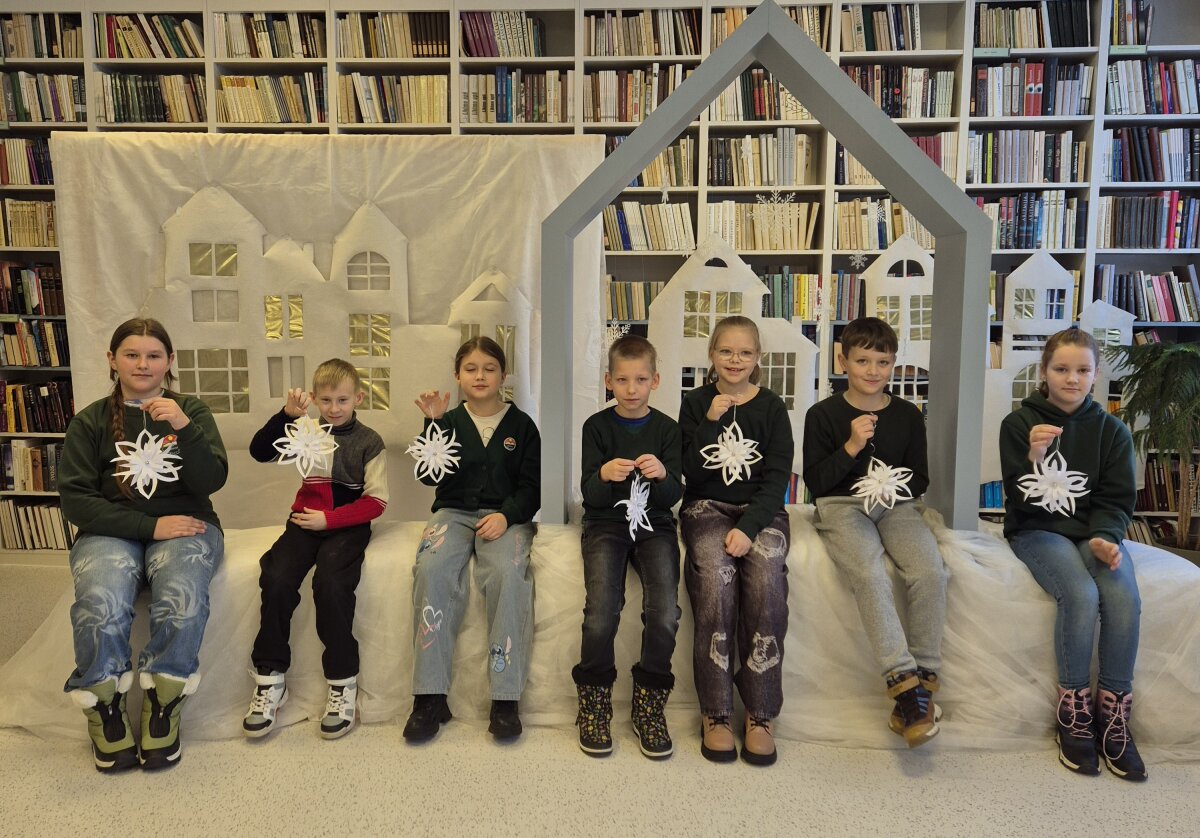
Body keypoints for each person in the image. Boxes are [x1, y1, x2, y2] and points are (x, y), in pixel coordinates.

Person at [58, 318, 228, 772]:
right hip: (110, 530)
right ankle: (104, 708)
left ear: (169, 361)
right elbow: (76, 501)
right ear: (112, 360)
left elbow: (211, 481)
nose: (142, 364)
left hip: (186, 525)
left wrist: (184, 427)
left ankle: (164, 703)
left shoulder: (191, 410)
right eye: (131, 354)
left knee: (182, 597)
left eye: (153, 356)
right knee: (100, 601)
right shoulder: (90, 420)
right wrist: (149, 527)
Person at [1000, 327, 1145, 781]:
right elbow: (1020, 500)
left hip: (1093, 533)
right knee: (1080, 594)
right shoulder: (1019, 425)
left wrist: (1105, 537)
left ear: (1096, 374)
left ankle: (1114, 713)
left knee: (1122, 594)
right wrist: (1034, 457)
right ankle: (1075, 711)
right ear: (1044, 372)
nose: (1072, 378)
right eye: (1061, 369)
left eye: (1083, 370)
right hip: (1038, 529)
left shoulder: (1112, 431)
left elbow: (1116, 499)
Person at [803, 317, 947, 749]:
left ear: (893, 365)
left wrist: (890, 487)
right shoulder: (822, 415)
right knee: (869, 573)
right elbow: (817, 483)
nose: (872, 371)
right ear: (842, 361)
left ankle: (923, 682)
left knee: (930, 571)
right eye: (862, 360)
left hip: (896, 505)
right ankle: (903, 684)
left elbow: (919, 477)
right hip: (841, 505)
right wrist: (850, 447)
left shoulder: (907, 415)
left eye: (882, 362)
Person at [403, 336, 540, 742]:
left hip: (505, 517)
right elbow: (427, 476)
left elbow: (532, 488)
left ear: (504, 375)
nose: (480, 376)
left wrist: (507, 516)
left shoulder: (522, 426)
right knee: (431, 569)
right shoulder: (446, 421)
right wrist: (431, 423)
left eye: (490, 368)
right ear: (458, 375)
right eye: (471, 369)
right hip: (453, 513)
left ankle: (505, 699)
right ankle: (429, 697)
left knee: (508, 575)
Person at [241, 360, 387, 740]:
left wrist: (331, 520)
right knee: (276, 578)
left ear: (358, 398)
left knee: (332, 586)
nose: (334, 408)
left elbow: (377, 502)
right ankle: (270, 678)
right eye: (326, 400)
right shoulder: (306, 430)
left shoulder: (370, 442)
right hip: (305, 522)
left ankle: (342, 683)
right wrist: (287, 416)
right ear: (314, 398)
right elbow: (259, 452)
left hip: (346, 526)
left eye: (342, 400)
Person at [678, 315, 792, 766]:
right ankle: (717, 710)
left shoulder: (772, 407)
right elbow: (689, 470)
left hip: (761, 511)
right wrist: (710, 421)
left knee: (766, 580)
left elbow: (777, 478)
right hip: (706, 507)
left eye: (745, 352)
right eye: (726, 351)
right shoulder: (695, 403)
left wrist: (749, 528)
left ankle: (760, 712)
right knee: (715, 578)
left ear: (758, 357)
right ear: (711, 355)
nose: (735, 360)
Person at [574, 335, 682, 759]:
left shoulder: (667, 430)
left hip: (655, 525)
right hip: (606, 523)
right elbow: (589, 494)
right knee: (601, 610)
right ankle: (595, 702)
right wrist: (603, 475)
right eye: (622, 380)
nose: (631, 389)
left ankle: (649, 704)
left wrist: (662, 475)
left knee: (665, 612)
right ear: (608, 381)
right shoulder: (596, 427)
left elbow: (672, 496)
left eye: (640, 379)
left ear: (655, 380)